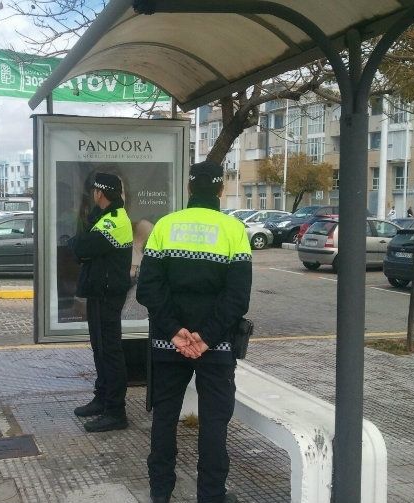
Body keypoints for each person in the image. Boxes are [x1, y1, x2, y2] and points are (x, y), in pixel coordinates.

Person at [136, 160, 252, 503]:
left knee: (164, 419)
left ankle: (160, 493)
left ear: (189, 189)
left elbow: (148, 289)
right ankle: (211, 496)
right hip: (215, 348)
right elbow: (237, 298)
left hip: (166, 343)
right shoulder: (233, 231)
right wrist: (205, 338)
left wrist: (174, 332)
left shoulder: (165, 226)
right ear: (219, 190)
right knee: (214, 425)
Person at [69, 172, 133, 432]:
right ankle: (103, 397)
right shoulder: (105, 217)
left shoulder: (115, 220)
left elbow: (80, 247)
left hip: (108, 294)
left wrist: (79, 246)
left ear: (100, 193)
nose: (93, 194)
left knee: (110, 351)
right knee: (100, 347)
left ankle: (116, 412)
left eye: (95, 190)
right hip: (99, 292)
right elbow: (84, 248)